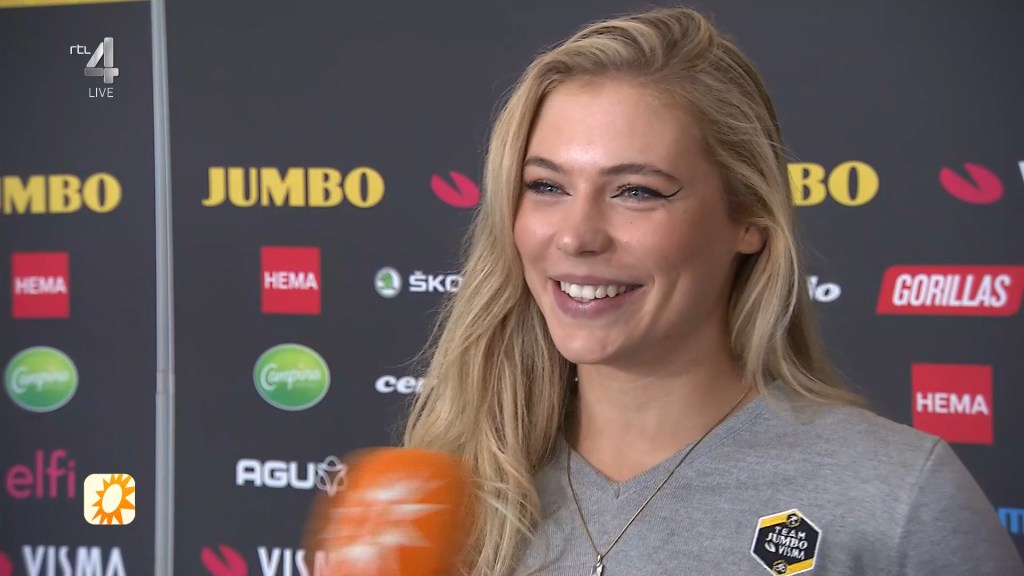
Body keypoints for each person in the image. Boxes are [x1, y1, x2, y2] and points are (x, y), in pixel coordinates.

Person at [402, 6, 1024, 576]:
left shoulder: (895, 500)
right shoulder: (444, 498)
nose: (576, 236)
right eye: (546, 186)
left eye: (637, 191)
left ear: (749, 218)